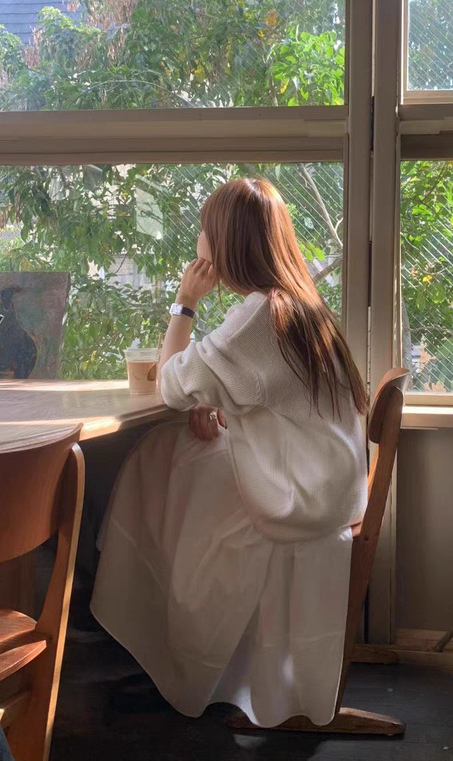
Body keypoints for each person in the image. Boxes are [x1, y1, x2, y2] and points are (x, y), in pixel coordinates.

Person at [91, 178, 368, 727]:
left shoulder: (259, 316)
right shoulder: (295, 304)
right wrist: (220, 404)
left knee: (162, 463)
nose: (198, 240)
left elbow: (171, 385)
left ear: (226, 242)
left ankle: (172, 652)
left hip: (300, 496)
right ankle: (164, 644)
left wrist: (185, 302)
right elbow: (260, 392)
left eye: (204, 230)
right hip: (324, 482)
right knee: (172, 455)